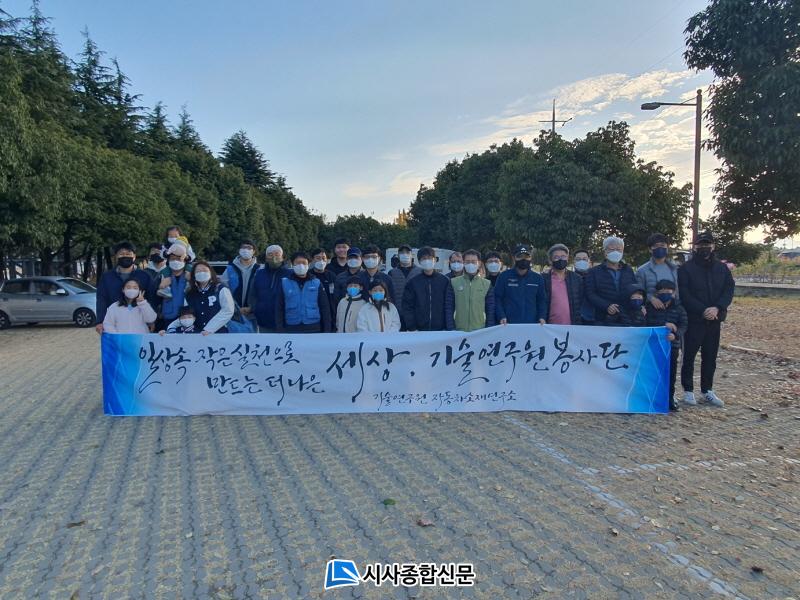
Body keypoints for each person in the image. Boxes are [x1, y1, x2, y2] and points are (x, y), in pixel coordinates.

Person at [678, 231, 735, 407]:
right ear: (695, 247)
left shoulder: (721, 268)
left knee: (710, 357)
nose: (704, 248)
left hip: (715, 319)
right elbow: (684, 294)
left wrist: (717, 307)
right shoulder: (686, 269)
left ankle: (707, 390)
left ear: (713, 246)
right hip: (694, 320)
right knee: (688, 356)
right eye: (701, 245)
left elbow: (728, 290)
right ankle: (688, 390)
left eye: (707, 244)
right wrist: (702, 310)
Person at [646, 279, 688, 411]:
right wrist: (664, 325)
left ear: (674, 293)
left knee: (670, 374)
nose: (665, 294)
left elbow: (683, 325)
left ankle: (669, 399)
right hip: (654, 346)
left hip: (672, 346)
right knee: (652, 373)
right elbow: (647, 322)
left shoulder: (679, 308)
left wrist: (675, 335)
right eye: (662, 292)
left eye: (668, 292)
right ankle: (651, 399)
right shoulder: (650, 307)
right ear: (657, 293)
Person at [95, 241, 153, 334]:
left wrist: (152, 320)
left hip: (139, 322)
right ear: (116, 256)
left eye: (128, 254)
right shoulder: (107, 277)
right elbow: (101, 299)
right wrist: (100, 321)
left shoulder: (145, 276)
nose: (125, 256)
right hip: (115, 322)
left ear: (134, 256)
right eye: (121, 254)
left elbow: (152, 298)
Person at [584, 236, 637, 325]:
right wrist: (606, 305)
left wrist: (640, 305)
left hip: (627, 317)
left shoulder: (628, 270)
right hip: (603, 318)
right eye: (612, 249)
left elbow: (635, 290)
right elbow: (590, 293)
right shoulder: (594, 272)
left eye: (619, 249)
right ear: (605, 252)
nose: (615, 252)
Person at [275, 251, 332, 333]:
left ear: (309, 264)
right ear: (292, 264)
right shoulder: (284, 283)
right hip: (292, 326)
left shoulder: (316, 282)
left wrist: (327, 329)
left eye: (304, 263)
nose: (301, 266)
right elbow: (279, 307)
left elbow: (324, 307)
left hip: (313, 326)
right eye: (298, 263)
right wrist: (280, 328)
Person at [494, 244, 547, 325]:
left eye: (526, 257)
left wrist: (542, 317)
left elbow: (542, 301)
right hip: (508, 325)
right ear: (514, 258)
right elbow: (497, 299)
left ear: (531, 258)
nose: (523, 259)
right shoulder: (504, 277)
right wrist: (501, 316)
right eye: (520, 256)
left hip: (532, 325)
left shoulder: (538, 278)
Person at [445, 249, 495, 332]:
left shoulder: (487, 284)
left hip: (480, 330)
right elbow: (449, 307)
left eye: (473, 262)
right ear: (463, 263)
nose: (470, 264)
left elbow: (490, 309)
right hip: (458, 331)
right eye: (467, 262)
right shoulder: (454, 282)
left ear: (479, 263)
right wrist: (451, 329)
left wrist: (488, 329)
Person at [402, 246, 450, 331]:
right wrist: (412, 327)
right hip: (419, 331)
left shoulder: (445, 281)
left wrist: (447, 326)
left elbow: (448, 306)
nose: (427, 261)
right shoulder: (412, 283)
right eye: (424, 258)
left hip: (441, 330)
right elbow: (407, 306)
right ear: (419, 261)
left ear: (435, 260)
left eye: (430, 258)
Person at [248, 244, 292, 333]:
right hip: (264, 321)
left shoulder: (291, 274)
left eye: (277, 254)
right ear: (266, 258)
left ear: (282, 257)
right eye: (270, 254)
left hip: (286, 321)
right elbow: (253, 294)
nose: (274, 257)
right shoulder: (259, 274)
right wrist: (255, 308)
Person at [184, 261, 234, 334]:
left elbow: (228, 310)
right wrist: (171, 328)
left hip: (219, 333)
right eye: (198, 271)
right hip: (197, 334)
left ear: (211, 272)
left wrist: (209, 329)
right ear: (194, 275)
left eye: (205, 270)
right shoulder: (190, 294)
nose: (202, 273)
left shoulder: (221, 289)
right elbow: (185, 315)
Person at [542, 244, 583, 325]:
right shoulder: (543, 279)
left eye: (563, 256)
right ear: (550, 260)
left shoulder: (577, 278)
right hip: (549, 327)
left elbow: (581, 301)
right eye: (556, 257)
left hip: (573, 325)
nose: (560, 259)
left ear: (567, 259)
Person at [155, 243, 192, 331]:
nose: (175, 261)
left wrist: (191, 280)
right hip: (168, 316)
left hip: (188, 317)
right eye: (172, 259)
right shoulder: (162, 275)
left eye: (179, 259)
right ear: (168, 260)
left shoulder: (191, 274)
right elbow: (154, 293)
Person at [637, 233, 679, 307]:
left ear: (667, 248)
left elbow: (678, 291)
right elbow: (638, 293)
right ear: (650, 249)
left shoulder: (675, 269)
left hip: (673, 310)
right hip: (651, 311)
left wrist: (673, 297)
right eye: (656, 246)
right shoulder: (642, 271)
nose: (660, 248)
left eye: (662, 245)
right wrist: (651, 298)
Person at [388, 244, 421, 328]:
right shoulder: (392, 272)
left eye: (407, 252)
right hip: (397, 315)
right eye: (402, 253)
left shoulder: (419, 272)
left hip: (416, 314)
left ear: (412, 255)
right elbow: (389, 294)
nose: (405, 255)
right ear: (398, 255)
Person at [221, 239, 259, 311]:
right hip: (233, 311)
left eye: (249, 248)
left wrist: (252, 308)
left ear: (254, 251)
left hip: (253, 312)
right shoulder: (230, 269)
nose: (246, 250)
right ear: (239, 250)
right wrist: (234, 307)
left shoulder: (259, 270)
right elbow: (223, 289)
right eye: (243, 247)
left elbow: (262, 292)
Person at [311, 247, 338, 326]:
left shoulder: (331, 275)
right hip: (313, 314)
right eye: (318, 258)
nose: (321, 261)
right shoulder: (309, 275)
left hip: (330, 313)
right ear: (312, 260)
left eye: (323, 258)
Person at [573, 249, 595, 325]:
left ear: (589, 261)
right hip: (573, 319)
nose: (581, 261)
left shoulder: (595, 277)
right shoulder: (568, 278)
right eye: (578, 259)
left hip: (592, 319)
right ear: (574, 262)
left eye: (584, 259)